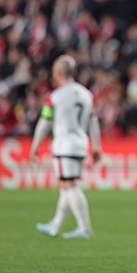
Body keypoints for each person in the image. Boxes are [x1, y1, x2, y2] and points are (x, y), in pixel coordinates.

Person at [32, 55, 101, 239]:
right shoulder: (87, 94)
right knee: (65, 184)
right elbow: (93, 122)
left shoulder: (55, 96)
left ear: (59, 73)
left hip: (64, 145)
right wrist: (96, 147)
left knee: (70, 185)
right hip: (81, 144)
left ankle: (84, 227)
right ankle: (55, 225)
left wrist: (35, 146)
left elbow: (45, 123)